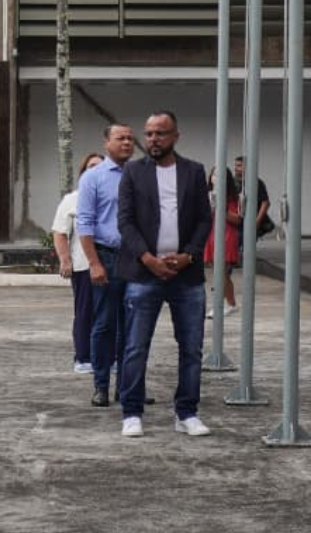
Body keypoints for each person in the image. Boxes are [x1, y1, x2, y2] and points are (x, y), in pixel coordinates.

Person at [116, 110, 213, 439]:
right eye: (149, 133)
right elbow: (125, 221)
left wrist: (189, 256)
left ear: (175, 136)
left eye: (160, 133)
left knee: (191, 349)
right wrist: (148, 259)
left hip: (186, 276)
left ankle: (187, 413)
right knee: (135, 346)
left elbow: (204, 219)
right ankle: (131, 412)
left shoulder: (193, 171)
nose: (153, 139)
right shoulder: (133, 172)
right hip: (144, 274)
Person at [76, 123, 135, 408]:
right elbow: (84, 221)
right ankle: (101, 385)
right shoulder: (93, 177)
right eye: (120, 138)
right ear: (106, 143)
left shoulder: (140, 174)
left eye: (130, 138)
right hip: (106, 258)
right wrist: (94, 262)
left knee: (134, 326)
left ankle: (128, 386)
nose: (127, 142)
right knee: (104, 324)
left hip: (136, 259)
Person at [51, 152, 104, 374]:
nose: (96, 170)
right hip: (83, 266)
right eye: (91, 166)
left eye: (100, 167)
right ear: (83, 172)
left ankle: (108, 357)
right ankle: (83, 357)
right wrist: (65, 260)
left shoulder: (115, 196)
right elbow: (60, 232)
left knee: (110, 315)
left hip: (113, 265)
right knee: (85, 313)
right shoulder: (72, 200)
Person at [204, 166, 240, 318]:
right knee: (218, 271)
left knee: (221, 272)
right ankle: (228, 303)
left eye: (220, 175)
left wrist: (219, 207)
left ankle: (225, 304)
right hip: (212, 233)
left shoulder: (231, 197)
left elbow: (237, 219)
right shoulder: (206, 194)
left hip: (226, 234)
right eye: (214, 174)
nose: (216, 178)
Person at [233, 155, 270, 241]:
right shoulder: (232, 181)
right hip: (235, 221)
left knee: (247, 243)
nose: (236, 168)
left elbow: (265, 202)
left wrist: (257, 221)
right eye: (235, 165)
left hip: (250, 220)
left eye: (239, 166)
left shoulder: (256, 182)